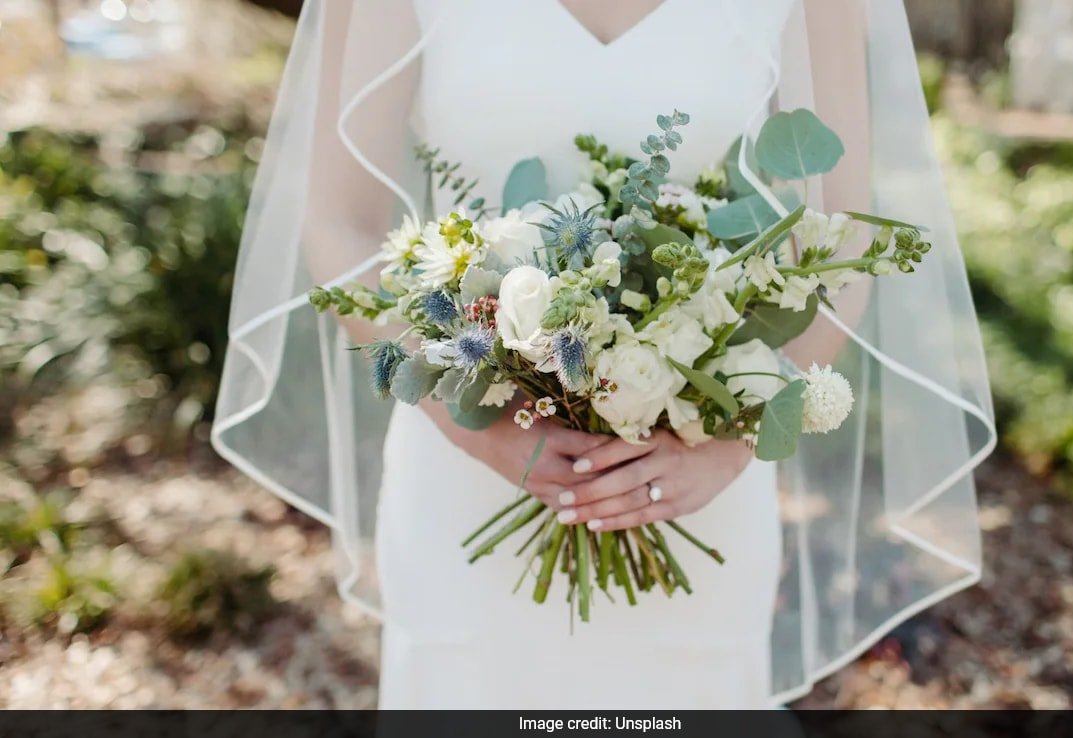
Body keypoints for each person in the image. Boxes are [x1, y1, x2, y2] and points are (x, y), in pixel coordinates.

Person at [212, 0, 997, 709]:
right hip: (461, 479)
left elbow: (843, 238)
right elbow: (340, 226)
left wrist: (732, 444)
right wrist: (479, 427)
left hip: (693, 477)